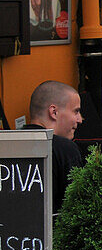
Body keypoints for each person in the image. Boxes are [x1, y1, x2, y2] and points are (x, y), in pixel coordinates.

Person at [24, 80, 83, 214]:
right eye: (76, 111)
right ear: (54, 112)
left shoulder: (8, 145)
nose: (80, 119)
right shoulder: (65, 150)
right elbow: (79, 208)